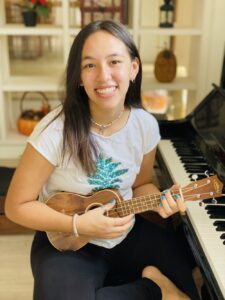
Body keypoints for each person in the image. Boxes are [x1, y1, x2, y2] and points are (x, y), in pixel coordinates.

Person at [5, 20, 200, 300]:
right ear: (79, 77)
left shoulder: (144, 125)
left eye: (114, 61)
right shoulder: (54, 131)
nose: (103, 75)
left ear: (133, 68)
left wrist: (162, 201)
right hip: (66, 238)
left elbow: (142, 182)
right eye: (89, 65)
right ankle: (153, 289)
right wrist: (79, 225)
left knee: (192, 291)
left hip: (127, 232)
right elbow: (16, 206)